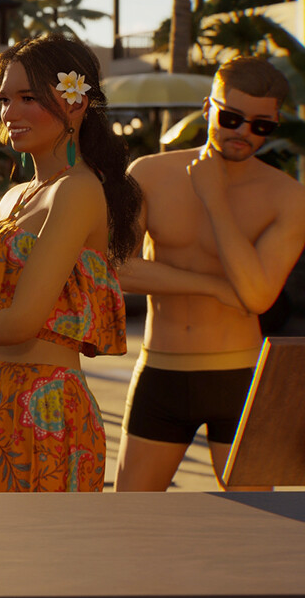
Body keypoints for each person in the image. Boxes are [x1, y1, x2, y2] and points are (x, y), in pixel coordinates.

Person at [0, 35, 140, 492]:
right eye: (4, 99)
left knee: (35, 558)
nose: (9, 113)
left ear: (75, 103)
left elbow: (20, 322)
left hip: (44, 408)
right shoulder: (12, 198)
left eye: (28, 98)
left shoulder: (78, 190)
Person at [115, 55, 305, 491]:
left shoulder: (288, 198)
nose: (243, 133)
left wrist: (214, 199)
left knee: (255, 529)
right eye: (231, 117)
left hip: (241, 376)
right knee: (129, 518)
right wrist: (216, 288)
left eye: (261, 126)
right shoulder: (149, 173)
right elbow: (117, 268)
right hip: (160, 371)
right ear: (208, 107)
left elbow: (257, 297)